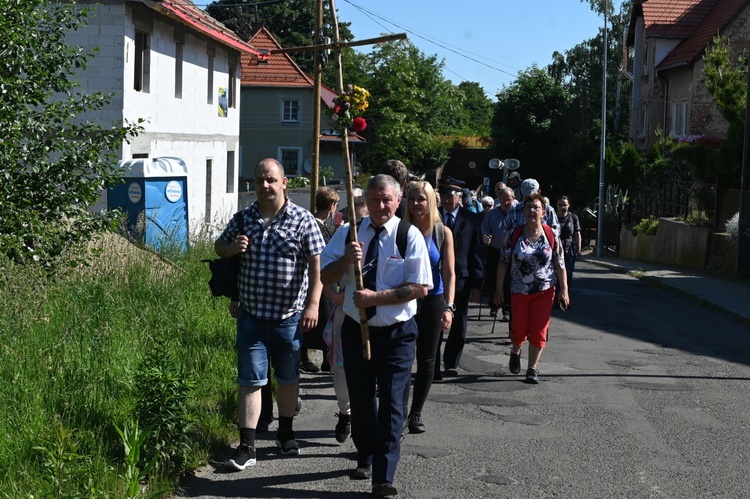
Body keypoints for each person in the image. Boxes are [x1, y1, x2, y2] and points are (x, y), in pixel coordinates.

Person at [320, 174, 432, 497]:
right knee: (361, 397)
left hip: (397, 333)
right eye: (375, 200)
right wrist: (346, 259)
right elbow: (324, 274)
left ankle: (384, 475)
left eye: (387, 200)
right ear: (366, 201)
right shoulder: (348, 233)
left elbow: (420, 287)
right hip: (357, 329)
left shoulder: (408, 235)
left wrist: (375, 298)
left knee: (393, 402)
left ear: (398, 201)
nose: (381, 206)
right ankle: (365, 454)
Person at [215, 158, 325, 470]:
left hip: (288, 318)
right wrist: (233, 246)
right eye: (260, 180)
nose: (265, 185)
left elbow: (317, 271)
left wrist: (313, 306)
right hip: (251, 316)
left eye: (271, 180)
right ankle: (247, 446)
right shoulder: (243, 218)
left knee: (288, 378)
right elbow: (218, 247)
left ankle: (286, 434)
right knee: (249, 379)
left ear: (284, 183)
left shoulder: (303, 221)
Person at [493, 193, 569, 384]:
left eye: (536, 208)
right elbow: (503, 262)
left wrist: (564, 290)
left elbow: (560, 264)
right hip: (519, 291)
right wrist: (498, 288)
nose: (532, 211)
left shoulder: (551, 234)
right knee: (518, 331)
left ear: (543, 212)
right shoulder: (514, 234)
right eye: (528, 208)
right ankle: (516, 349)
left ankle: (532, 368)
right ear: (523, 212)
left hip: (545, 290)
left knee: (539, 331)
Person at [402, 180, 455, 434]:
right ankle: (399, 413)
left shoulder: (441, 232)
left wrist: (449, 307)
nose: (415, 204)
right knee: (402, 357)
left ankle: (416, 413)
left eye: (421, 199)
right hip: (404, 299)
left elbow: (449, 273)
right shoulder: (399, 229)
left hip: (433, 300)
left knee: (426, 359)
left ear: (431, 201)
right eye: (412, 199)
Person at [322, 191, 369, 444]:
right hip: (345, 314)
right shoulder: (345, 235)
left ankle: (366, 423)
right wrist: (336, 297)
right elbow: (325, 275)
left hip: (374, 317)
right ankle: (345, 412)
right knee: (341, 372)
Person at [436, 176, 484, 378]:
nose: (447, 200)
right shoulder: (434, 216)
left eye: (451, 196)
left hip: (462, 279)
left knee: (459, 323)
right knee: (435, 321)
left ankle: (451, 363)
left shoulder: (471, 218)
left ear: (459, 197)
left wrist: (477, 283)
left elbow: (477, 252)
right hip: (437, 278)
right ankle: (434, 364)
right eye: (444, 195)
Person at [300, 187, 340, 373]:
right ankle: (314, 358)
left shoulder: (314, 224)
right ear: (331, 206)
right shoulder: (317, 226)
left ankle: (318, 358)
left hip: (315, 279)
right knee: (323, 319)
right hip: (319, 279)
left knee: (321, 319)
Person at [480, 187, 517, 320]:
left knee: (508, 280)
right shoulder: (492, 214)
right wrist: (485, 236)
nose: (506, 203)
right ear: (499, 200)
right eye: (503, 200)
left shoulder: (517, 213)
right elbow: (484, 229)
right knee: (492, 278)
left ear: (513, 199)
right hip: (495, 250)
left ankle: (507, 309)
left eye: (509, 200)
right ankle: (494, 305)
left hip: (511, 252)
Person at [556, 195, 582, 288]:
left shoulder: (573, 218)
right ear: (557, 205)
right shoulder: (553, 217)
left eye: (565, 205)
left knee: (569, 273)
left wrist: (578, 249)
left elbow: (577, 234)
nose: (562, 207)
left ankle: (565, 293)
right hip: (556, 248)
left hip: (569, 249)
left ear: (569, 205)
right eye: (560, 205)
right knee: (555, 273)